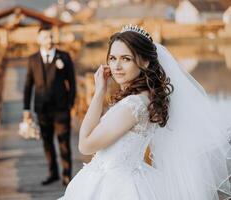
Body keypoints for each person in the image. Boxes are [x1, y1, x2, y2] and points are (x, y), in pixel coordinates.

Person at [58, 25, 231, 199]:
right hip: (127, 178)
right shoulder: (146, 97)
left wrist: (99, 92)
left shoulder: (133, 105)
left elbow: (85, 145)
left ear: (145, 61)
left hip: (115, 186)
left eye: (126, 59)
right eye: (112, 58)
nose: (116, 66)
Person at [23, 24, 76, 186]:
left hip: (61, 108)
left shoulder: (64, 57)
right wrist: (26, 109)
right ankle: (52, 173)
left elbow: (72, 83)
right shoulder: (32, 59)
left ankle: (67, 175)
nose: (49, 39)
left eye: (51, 36)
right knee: (47, 143)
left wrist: (70, 105)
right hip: (42, 109)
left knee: (64, 142)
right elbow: (28, 86)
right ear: (39, 39)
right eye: (45, 36)